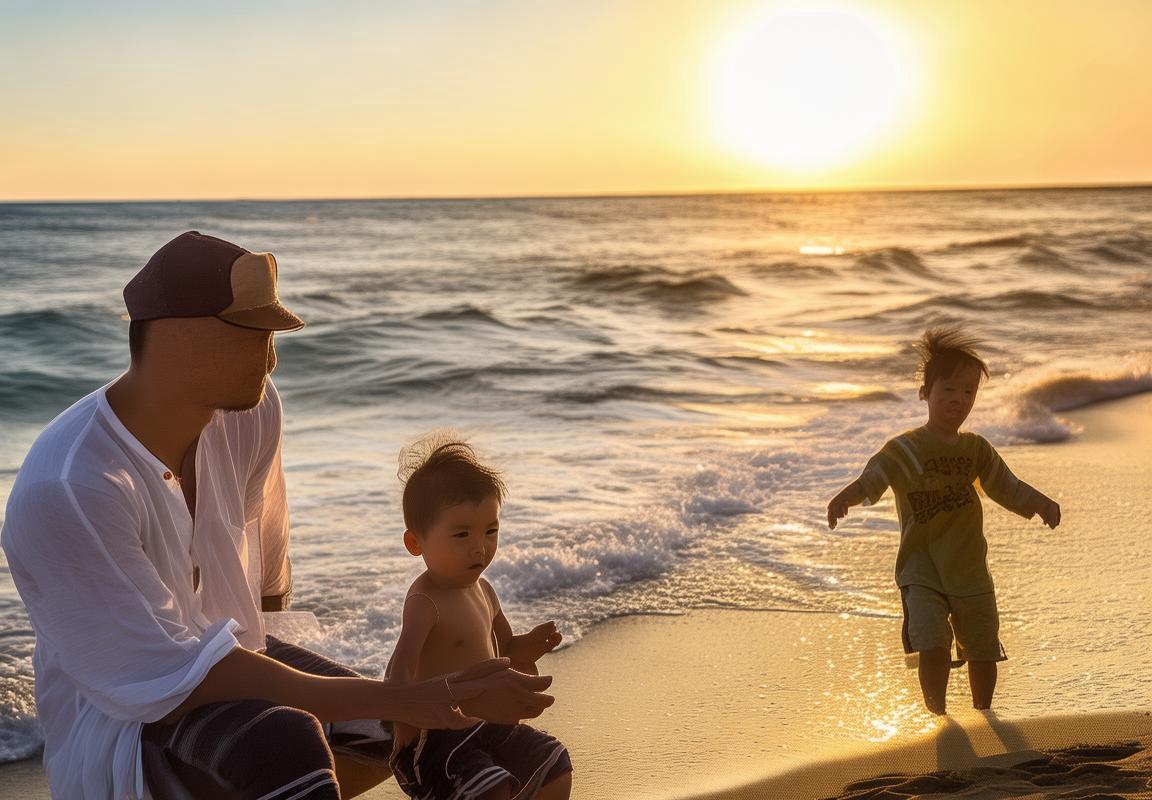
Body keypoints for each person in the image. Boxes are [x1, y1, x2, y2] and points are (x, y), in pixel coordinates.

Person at [1, 231, 555, 799]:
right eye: (255, 334)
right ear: (178, 339)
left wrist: (406, 703)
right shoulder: (72, 486)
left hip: (231, 663)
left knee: (397, 732)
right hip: (132, 725)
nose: (271, 356)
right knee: (290, 740)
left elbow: (266, 585)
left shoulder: (250, 409)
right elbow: (181, 680)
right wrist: (403, 695)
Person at [825, 327, 1061, 715]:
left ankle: (983, 714)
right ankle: (938, 717)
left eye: (968, 392)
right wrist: (844, 499)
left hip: (970, 570)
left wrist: (1041, 503)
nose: (958, 399)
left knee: (983, 648)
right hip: (921, 569)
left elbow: (1007, 485)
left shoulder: (975, 449)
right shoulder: (906, 448)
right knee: (933, 644)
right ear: (926, 393)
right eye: (948, 390)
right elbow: (873, 479)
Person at [386, 435, 573, 800]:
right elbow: (401, 664)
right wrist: (403, 718)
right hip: (439, 733)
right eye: (461, 534)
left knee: (553, 763)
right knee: (488, 787)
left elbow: (505, 649)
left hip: (490, 723)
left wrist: (529, 646)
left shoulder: (484, 590)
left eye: (491, 531)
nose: (480, 546)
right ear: (415, 543)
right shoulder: (425, 600)